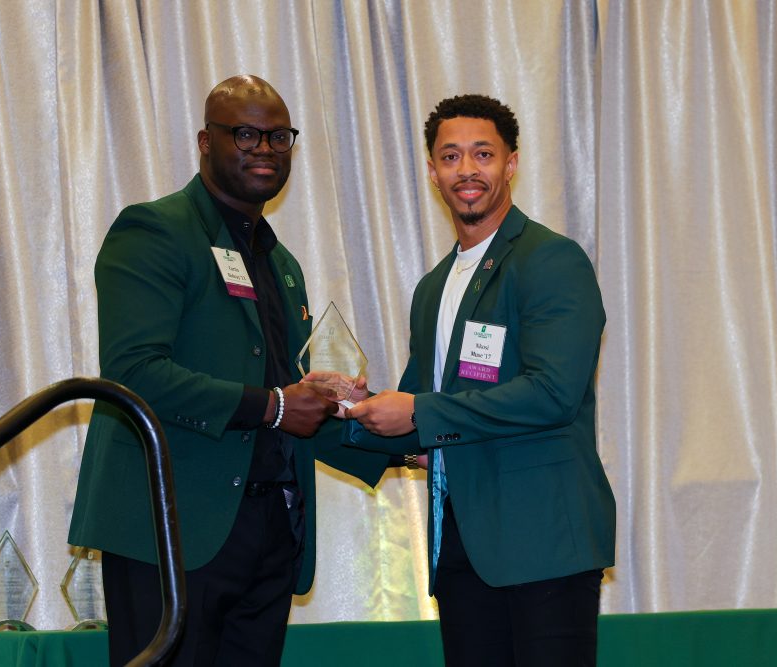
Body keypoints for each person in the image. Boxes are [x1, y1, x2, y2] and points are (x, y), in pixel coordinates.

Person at [68, 75, 389, 666]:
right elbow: (133, 371)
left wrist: (392, 436)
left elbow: (291, 398)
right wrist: (275, 406)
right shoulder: (155, 230)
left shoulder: (281, 262)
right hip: (172, 526)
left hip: (271, 526)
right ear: (204, 141)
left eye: (279, 137)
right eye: (245, 133)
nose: (265, 149)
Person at [326, 94, 616, 666]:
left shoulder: (550, 260)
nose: (466, 170)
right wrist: (350, 408)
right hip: (459, 545)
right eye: (450, 156)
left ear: (510, 163)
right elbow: (420, 409)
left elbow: (553, 393)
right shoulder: (433, 287)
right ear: (432, 171)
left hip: (543, 544)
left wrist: (421, 413)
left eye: (482, 154)